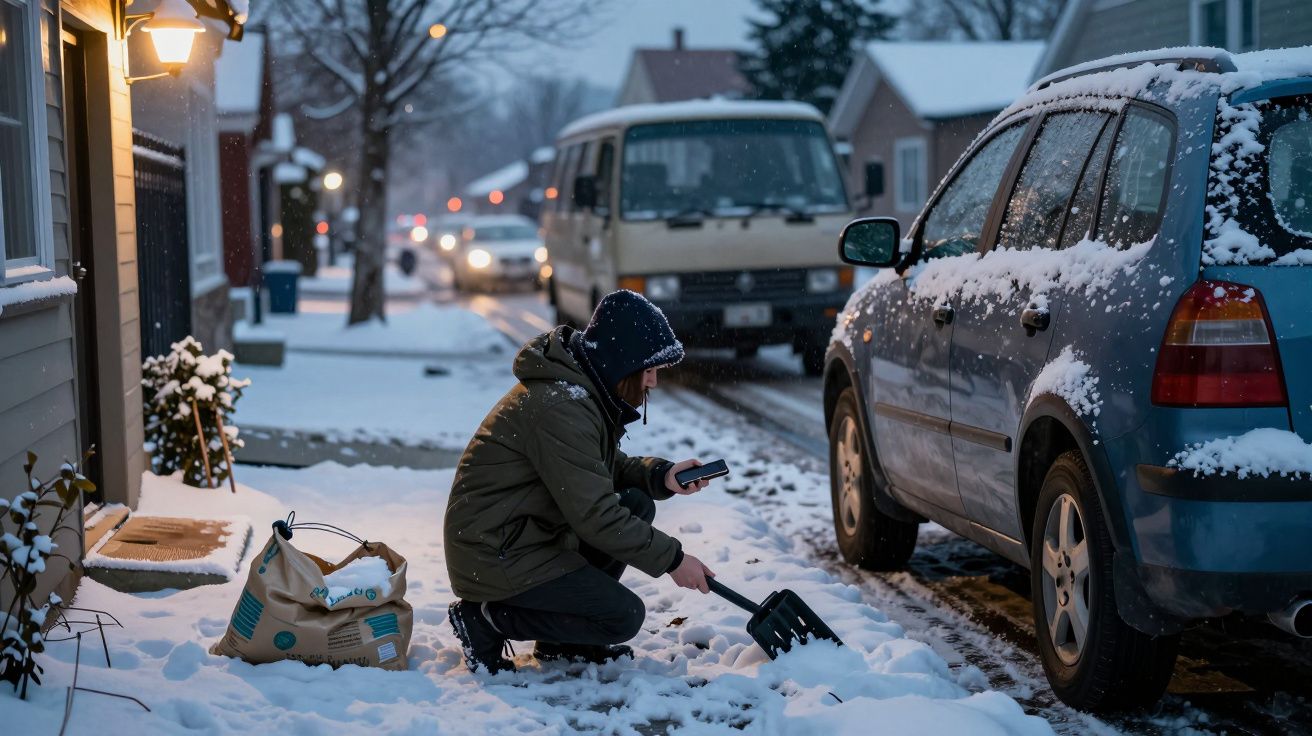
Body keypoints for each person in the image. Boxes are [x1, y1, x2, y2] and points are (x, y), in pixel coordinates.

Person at [444, 290, 717, 674]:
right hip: (495, 551)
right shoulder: (562, 407)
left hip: (523, 534)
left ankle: (563, 644)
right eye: (649, 369)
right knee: (622, 617)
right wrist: (673, 560)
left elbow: (598, 467)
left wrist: (659, 475)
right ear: (623, 363)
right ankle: (485, 619)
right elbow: (596, 515)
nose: (653, 382)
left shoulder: (580, 390)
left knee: (637, 502)